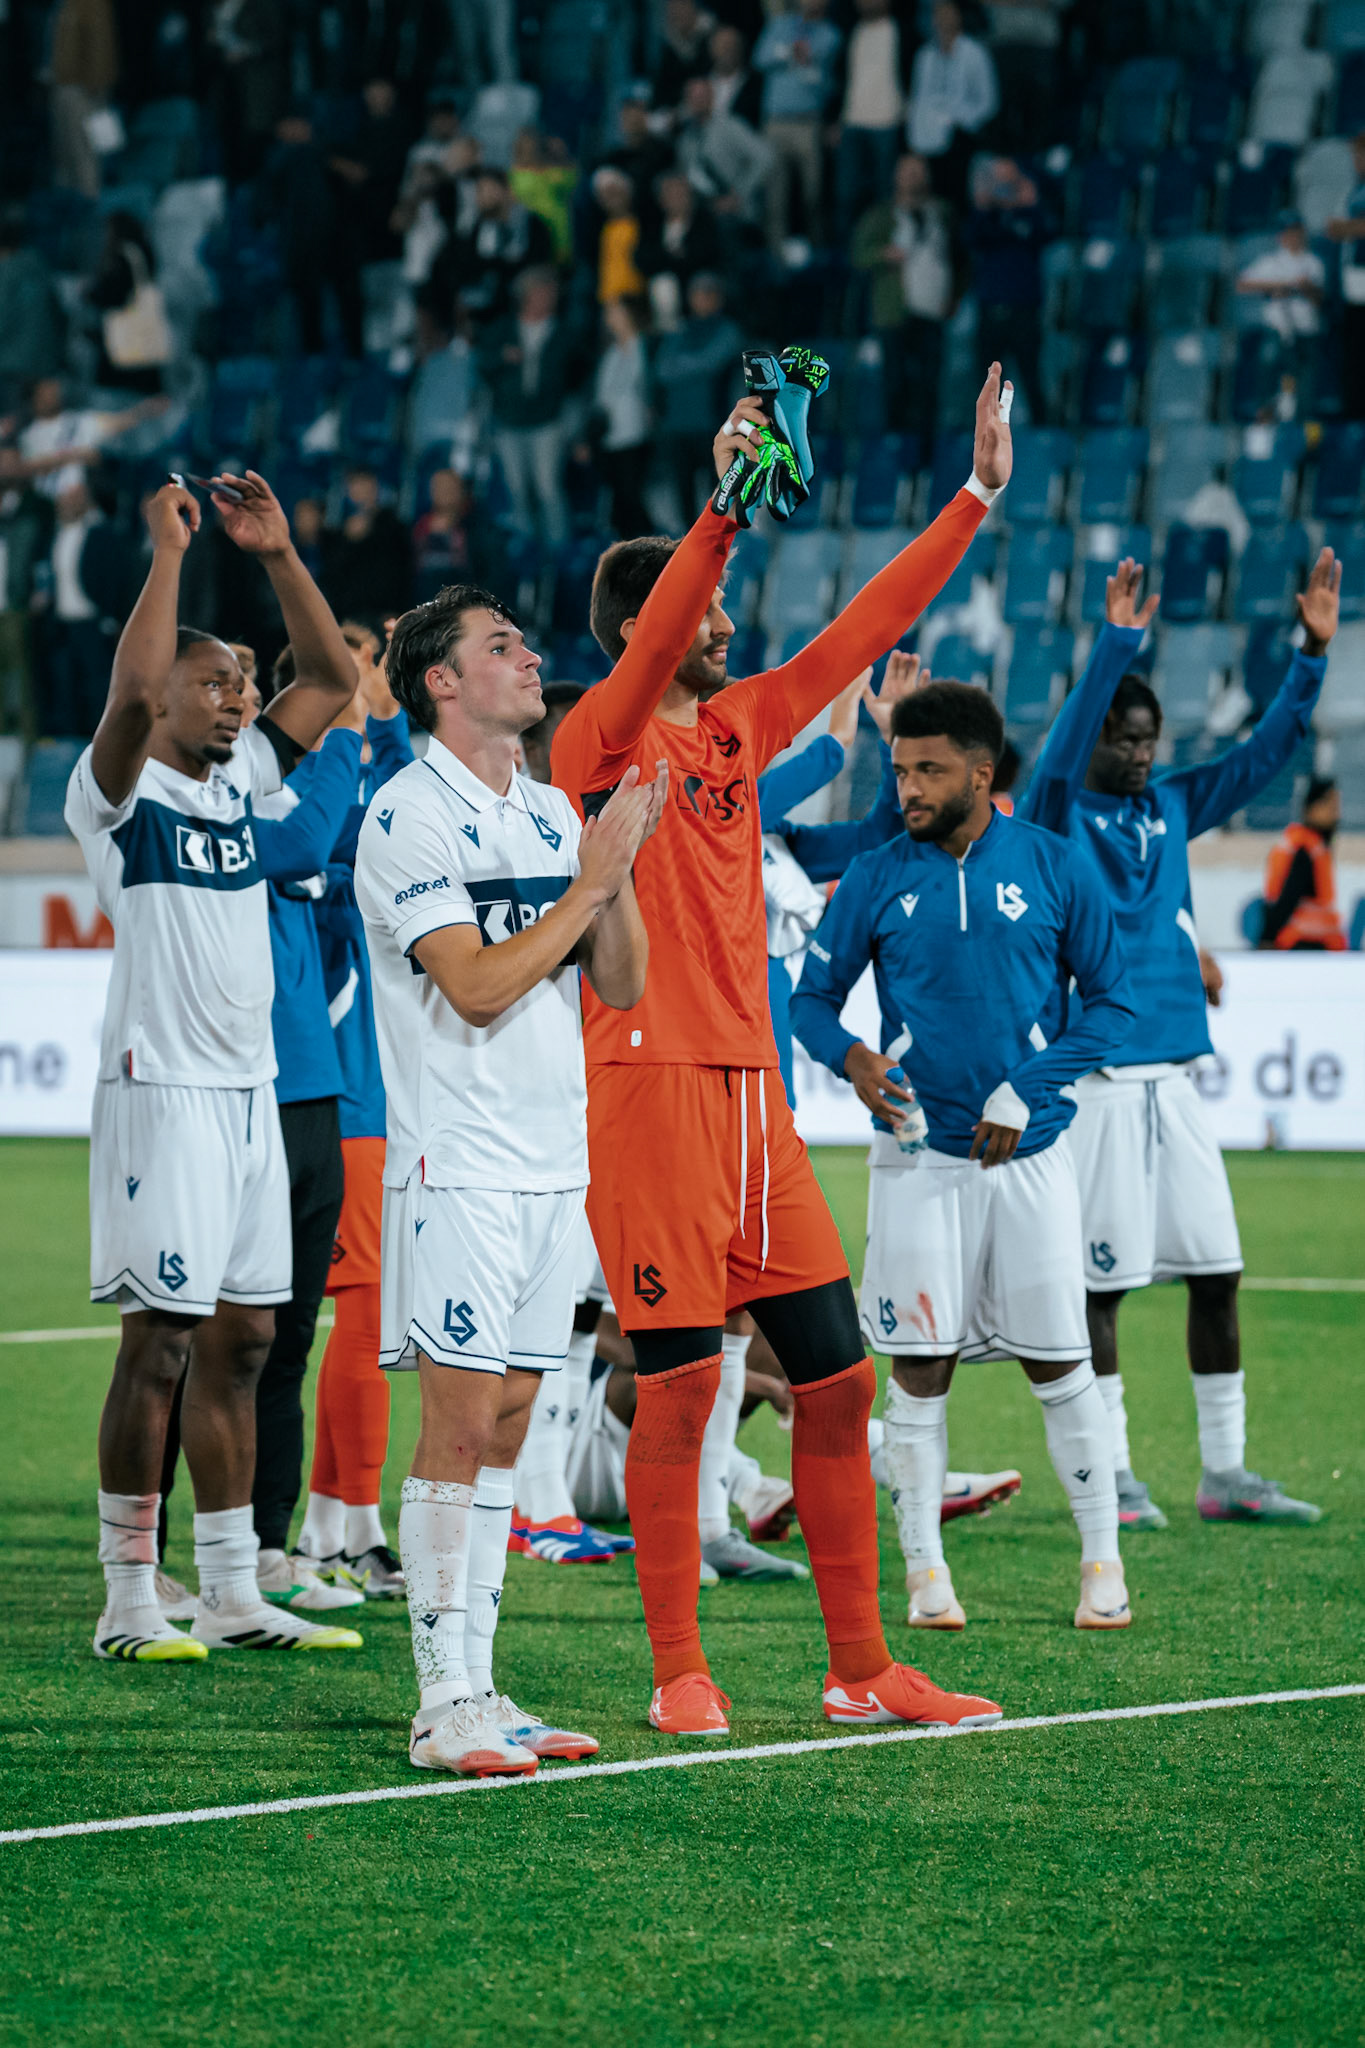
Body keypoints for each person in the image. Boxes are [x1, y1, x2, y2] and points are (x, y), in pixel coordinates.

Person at [549, 367, 1016, 1739]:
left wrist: (975, 495)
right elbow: (656, 645)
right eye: (701, 611)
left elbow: (870, 625)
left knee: (836, 1375)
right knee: (682, 1388)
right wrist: (721, 513)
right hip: (648, 1095)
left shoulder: (744, 725)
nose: (733, 625)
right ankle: (679, 1668)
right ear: (648, 625)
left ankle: (861, 1666)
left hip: (759, 1102)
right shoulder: (598, 732)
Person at [355, 582, 665, 1776]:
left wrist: (612, 862)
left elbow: (624, 982)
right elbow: (475, 987)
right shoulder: (405, 815)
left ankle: (481, 1684)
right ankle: (443, 1701)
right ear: (442, 680)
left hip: (553, 1165)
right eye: (502, 645)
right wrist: (586, 884)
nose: (532, 657)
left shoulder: (547, 811)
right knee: (458, 1424)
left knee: (514, 1425)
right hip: (460, 1164)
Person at [64, 471, 364, 1662]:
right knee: (164, 1342)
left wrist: (281, 553)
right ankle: (129, 1593)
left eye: (246, 678)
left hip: (250, 1094)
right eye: (218, 679)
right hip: (163, 1092)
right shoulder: (118, 792)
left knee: (245, 1342)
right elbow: (138, 685)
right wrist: (172, 552)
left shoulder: (247, 778)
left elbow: (336, 681)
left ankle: (234, 1584)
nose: (241, 694)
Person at [792, 681, 1135, 1631]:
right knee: (918, 1365)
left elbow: (1111, 1003)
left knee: (1059, 1361)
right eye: (899, 768)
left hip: (1031, 1161)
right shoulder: (873, 873)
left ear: (980, 775)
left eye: (928, 769)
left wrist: (1029, 1086)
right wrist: (853, 1059)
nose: (906, 786)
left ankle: (1101, 1563)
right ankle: (926, 1576)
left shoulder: (1055, 866)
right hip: (916, 1163)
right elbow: (809, 1004)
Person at [1017, 553, 1342, 1528]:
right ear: (1100, 738)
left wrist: (1312, 655)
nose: (1146, 753)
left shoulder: (1170, 805)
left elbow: (1261, 755)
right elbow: (1061, 752)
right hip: (1104, 1081)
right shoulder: (1056, 811)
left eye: (1153, 739)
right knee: (1102, 1288)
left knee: (1218, 1269)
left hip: (1178, 1084)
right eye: (1129, 738)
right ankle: (1112, 1474)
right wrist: (1115, 646)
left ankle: (1226, 1471)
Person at [296, 627, 415, 1596]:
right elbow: (370, 820)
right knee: (360, 1312)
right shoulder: (319, 820)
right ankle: (332, 1527)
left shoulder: (359, 803)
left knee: (362, 1315)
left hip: (375, 1092)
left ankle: (335, 1524)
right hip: (344, 1095)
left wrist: (377, 715)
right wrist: (368, 709)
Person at [478, 267, 589, 548]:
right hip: (509, 420)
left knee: (548, 489)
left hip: (547, 420)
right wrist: (502, 357)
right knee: (516, 491)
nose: (549, 298)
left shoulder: (564, 332)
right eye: (542, 292)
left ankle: (560, 552)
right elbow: (481, 365)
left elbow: (578, 375)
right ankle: (527, 553)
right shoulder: (503, 329)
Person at [852, 153, 955, 440]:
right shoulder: (881, 215)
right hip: (893, 311)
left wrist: (954, 295)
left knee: (928, 384)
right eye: (906, 171)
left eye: (918, 171)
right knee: (895, 383)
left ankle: (926, 452)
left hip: (932, 308)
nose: (912, 178)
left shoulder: (942, 212)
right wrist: (883, 254)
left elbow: (958, 258)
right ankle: (895, 447)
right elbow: (859, 255)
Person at [37, 477, 134, 737]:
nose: (67, 504)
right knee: (64, 688)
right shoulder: (54, 536)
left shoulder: (101, 534)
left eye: (73, 498)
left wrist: (111, 618)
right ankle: (67, 748)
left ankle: (99, 745)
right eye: (64, 500)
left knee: (97, 688)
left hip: (92, 623)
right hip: (62, 625)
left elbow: (114, 579)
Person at [650, 271, 742, 525]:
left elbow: (710, 361)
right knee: (683, 495)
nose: (702, 300)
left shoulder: (728, 330)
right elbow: (661, 368)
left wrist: (682, 365)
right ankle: (690, 549)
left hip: (712, 425)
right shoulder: (679, 330)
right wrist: (691, 366)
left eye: (708, 294)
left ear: (719, 299)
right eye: (698, 294)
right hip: (677, 425)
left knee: (719, 493)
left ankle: (721, 546)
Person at [753, 0, 842, 252]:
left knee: (813, 196)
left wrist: (792, 52)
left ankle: (817, 254)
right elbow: (760, 58)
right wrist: (788, 52)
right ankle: (777, 262)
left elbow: (819, 65)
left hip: (808, 122)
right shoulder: (779, 26)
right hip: (775, 122)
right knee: (774, 198)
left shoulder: (830, 34)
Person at [966, 155, 1047, 424]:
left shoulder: (1032, 217)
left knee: (1031, 377)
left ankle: (1042, 439)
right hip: (991, 309)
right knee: (989, 386)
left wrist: (1028, 203)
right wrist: (984, 205)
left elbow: (1044, 231)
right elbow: (974, 238)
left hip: (1024, 309)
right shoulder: (986, 218)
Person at [906, 0, 998, 210]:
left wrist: (963, 121)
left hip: (960, 140)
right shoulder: (924, 56)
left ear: (958, 16)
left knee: (957, 201)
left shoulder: (975, 53)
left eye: (947, 12)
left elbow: (989, 101)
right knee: (928, 202)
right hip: (927, 140)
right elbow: (918, 99)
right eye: (937, 14)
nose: (942, 19)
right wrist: (913, 138)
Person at [832, 0, 913, 235]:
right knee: (846, 196)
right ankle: (848, 259)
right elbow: (841, 80)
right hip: (852, 122)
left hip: (887, 122)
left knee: (885, 196)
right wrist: (836, 118)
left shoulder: (902, 32)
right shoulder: (851, 32)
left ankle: (885, 250)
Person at [1235, 212, 1326, 415]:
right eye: (1288, 232)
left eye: (1296, 231)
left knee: (1304, 384)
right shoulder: (1271, 262)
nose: (1292, 236)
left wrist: (1304, 287)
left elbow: (1320, 299)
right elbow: (1242, 284)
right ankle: (1265, 416)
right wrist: (1282, 285)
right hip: (1277, 330)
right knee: (1269, 368)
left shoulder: (1312, 263)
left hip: (1305, 332)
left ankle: (1301, 423)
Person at [1259, 776, 1347, 951]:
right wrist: (1268, 938)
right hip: (1304, 943)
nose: (1335, 813)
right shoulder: (1306, 848)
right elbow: (1289, 896)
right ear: (1311, 808)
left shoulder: (1310, 845)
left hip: (1308, 942)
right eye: (1330, 805)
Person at [591, 297, 654, 540]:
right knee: (619, 495)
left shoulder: (645, 346)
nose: (610, 319)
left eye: (615, 312)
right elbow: (602, 394)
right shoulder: (611, 353)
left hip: (637, 431)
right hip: (611, 433)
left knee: (633, 492)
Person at [1324, 131, 1365, 424]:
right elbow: (1333, 228)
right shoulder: (1354, 192)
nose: (1357, 161)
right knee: (1353, 363)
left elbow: (1346, 228)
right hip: (1354, 290)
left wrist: (1350, 228)